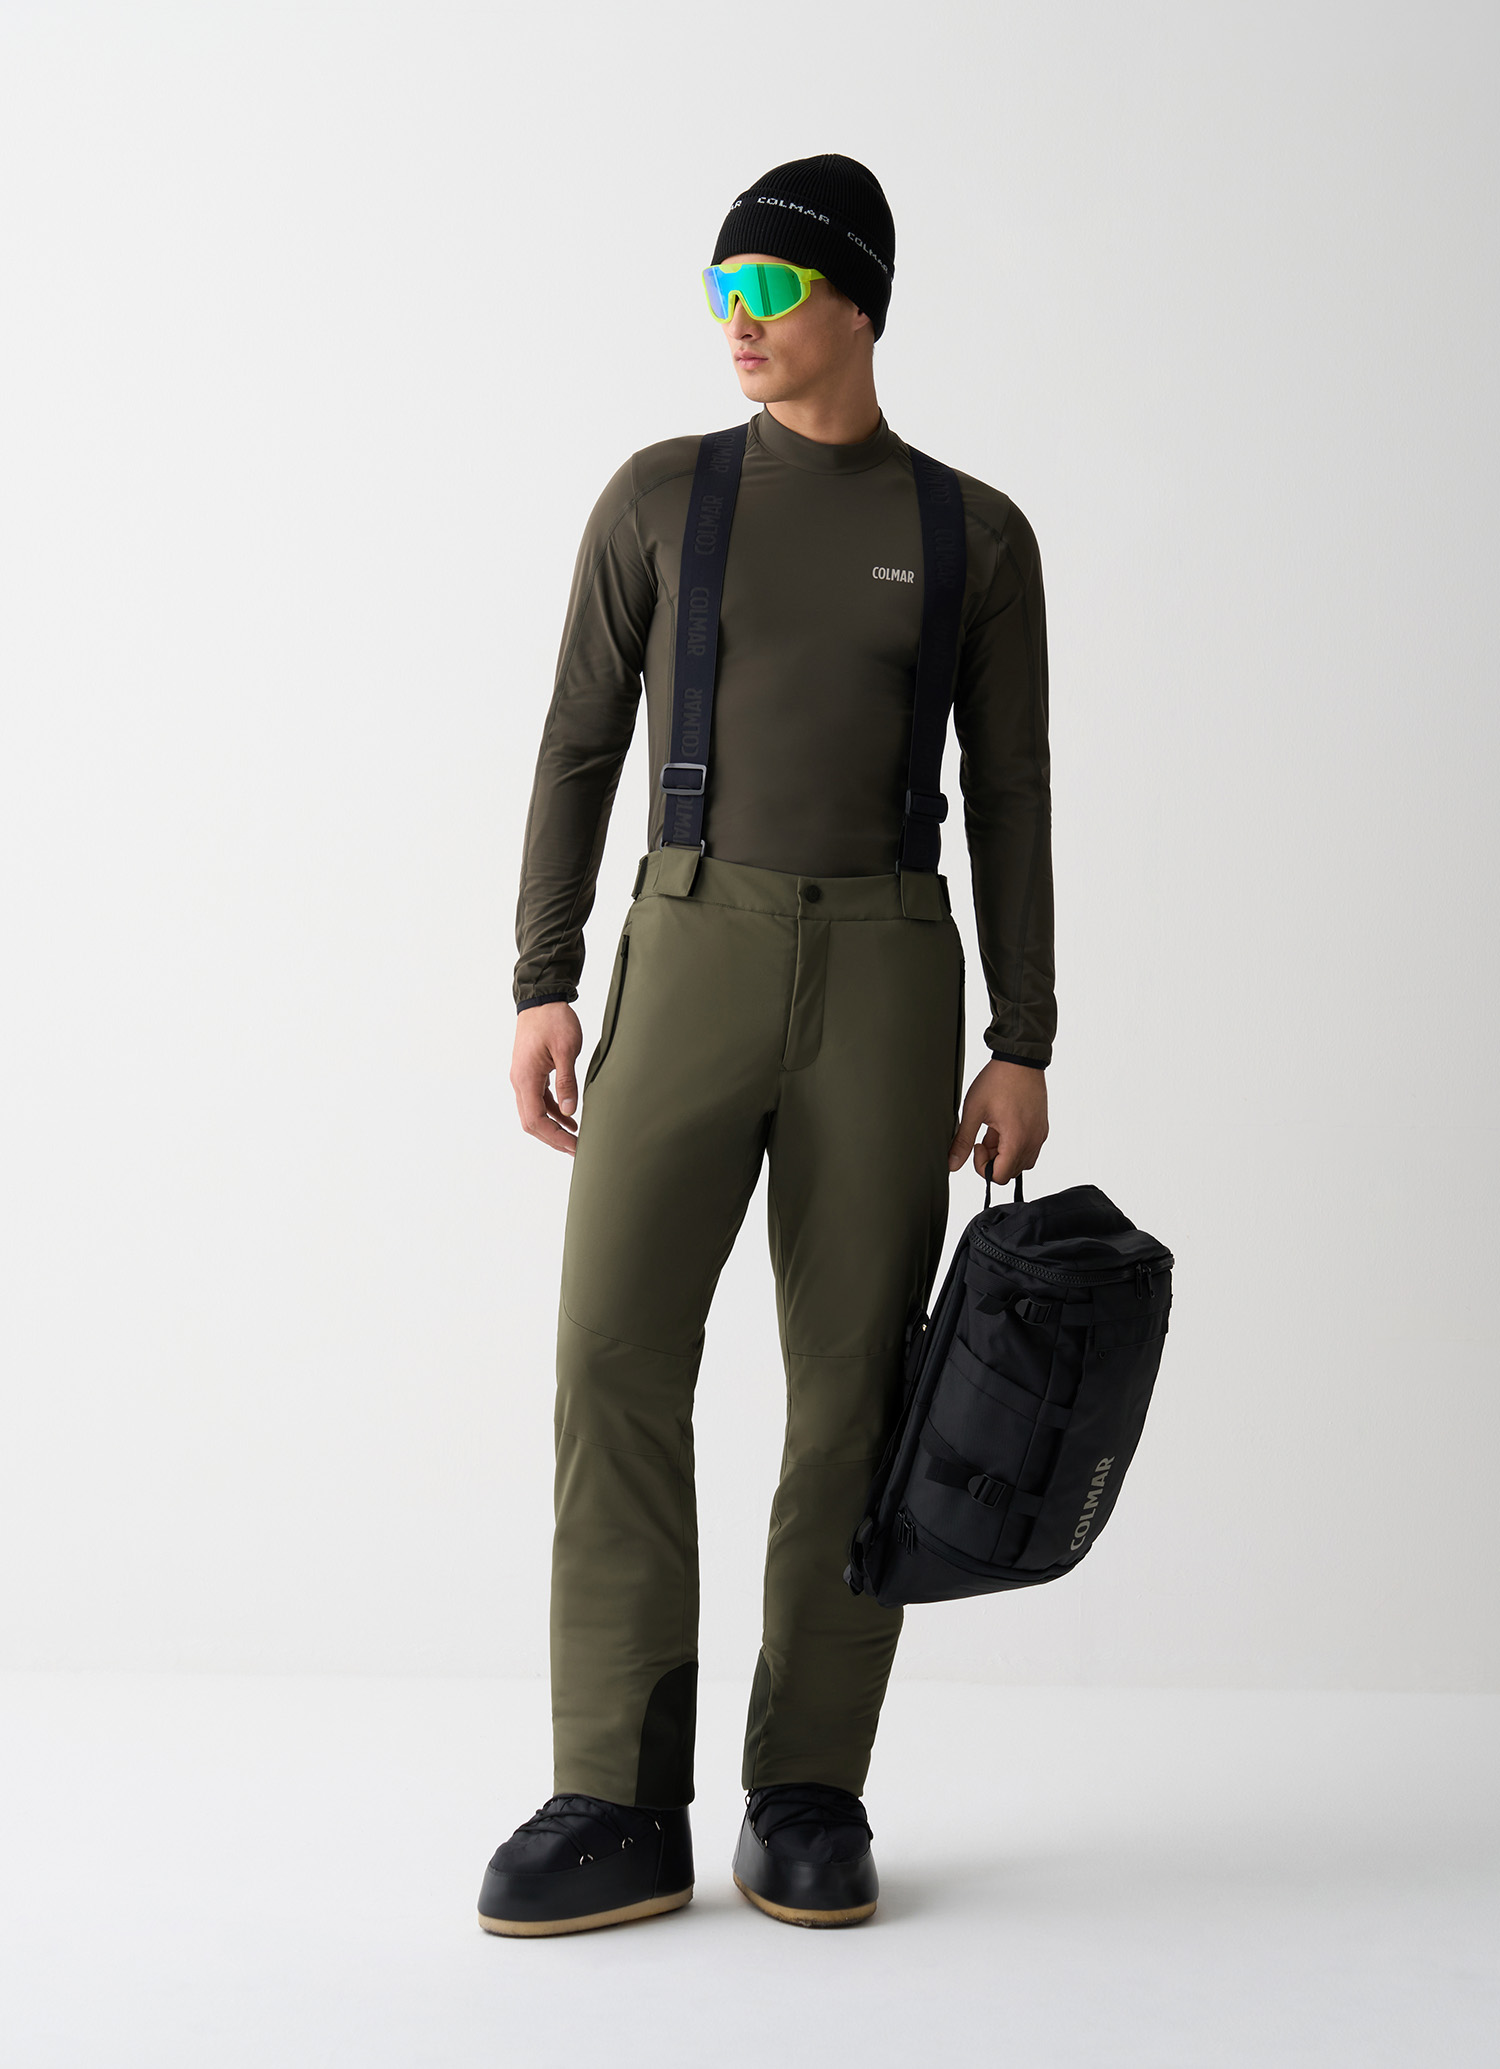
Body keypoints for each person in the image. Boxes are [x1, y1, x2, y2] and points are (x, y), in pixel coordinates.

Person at [477, 154, 1054, 1937]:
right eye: (721, 289)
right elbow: (579, 741)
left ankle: (808, 1787)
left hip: (888, 966)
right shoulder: (662, 497)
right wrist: (542, 975)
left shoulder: (974, 533)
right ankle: (614, 1790)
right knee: (611, 1349)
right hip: (689, 941)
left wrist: (1024, 1034)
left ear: (854, 301)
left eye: (768, 289)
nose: (733, 320)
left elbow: (1011, 791)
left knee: (857, 1385)